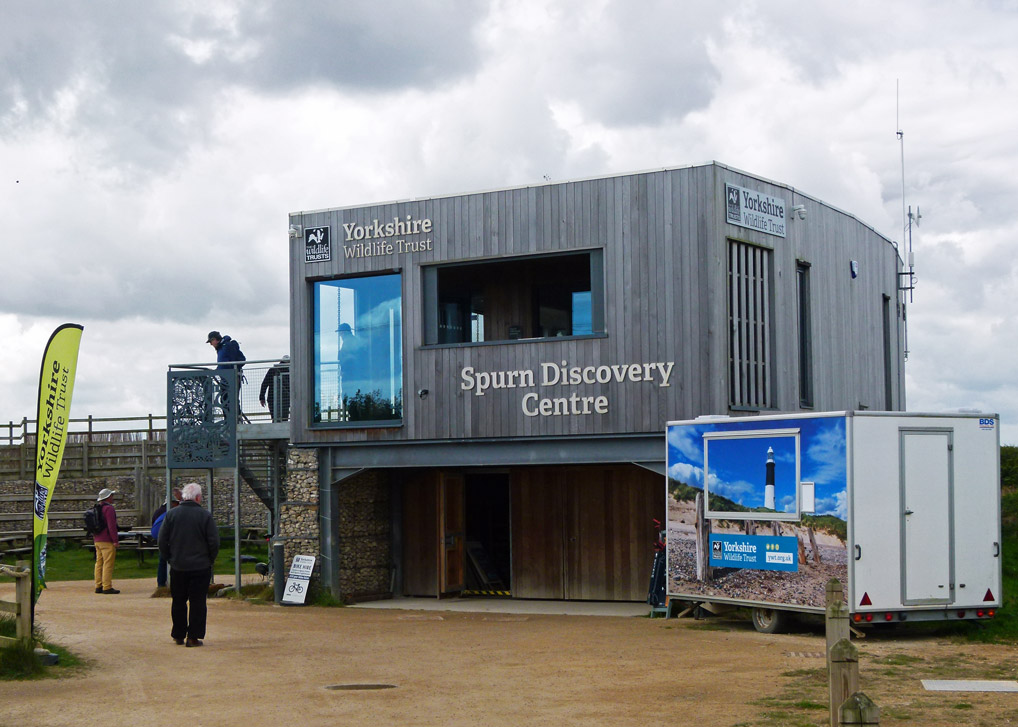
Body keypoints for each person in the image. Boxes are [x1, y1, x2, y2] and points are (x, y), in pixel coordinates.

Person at [157, 482, 220, 647]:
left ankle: (178, 634)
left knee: (178, 601)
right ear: (198, 497)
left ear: (184, 497)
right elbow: (214, 542)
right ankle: (193, 637)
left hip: (178, 565)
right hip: (200, 566)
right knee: (198, 602)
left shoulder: (171, 515)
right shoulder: (205, 515)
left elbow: (162, 540)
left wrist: (169, 557)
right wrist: (209, 560)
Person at [150, 488, 183, 590]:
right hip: (173, 539)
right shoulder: (174, 512)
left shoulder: (157, 512)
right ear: (173, 503)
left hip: (161, 540)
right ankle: (176, 583)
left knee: (162, 561)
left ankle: (161, 583)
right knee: (177, 561)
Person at [206, 330, 246, 412]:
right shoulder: (222, 347)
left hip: (231, 377)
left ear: (215, 339)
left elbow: (237, 360)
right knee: (225, 400)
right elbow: (223, 363)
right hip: (226, 378)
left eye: (211, 341)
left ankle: (234, 420)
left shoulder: (226, 346)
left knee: (230, 400)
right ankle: (231, 420)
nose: (211, 344)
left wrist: (232, 370)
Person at [93, 488, 120, 594]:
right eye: (111, 496)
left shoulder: (97, 508)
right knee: (108, 563)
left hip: (97, 539)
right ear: (108, 497)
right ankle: (107, 586)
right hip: (107, 540)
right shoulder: (109, 509)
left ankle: (98, 585)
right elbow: (111, 526)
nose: (112, 497)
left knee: (99, 563)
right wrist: (115, 540)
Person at [258, 355, 291, 422]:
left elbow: (265, 383)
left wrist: (262, 397)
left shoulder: (273, 370)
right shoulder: (290, 371)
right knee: (284, 419)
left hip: (272, 398)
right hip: (285, 399)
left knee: (275, 418)